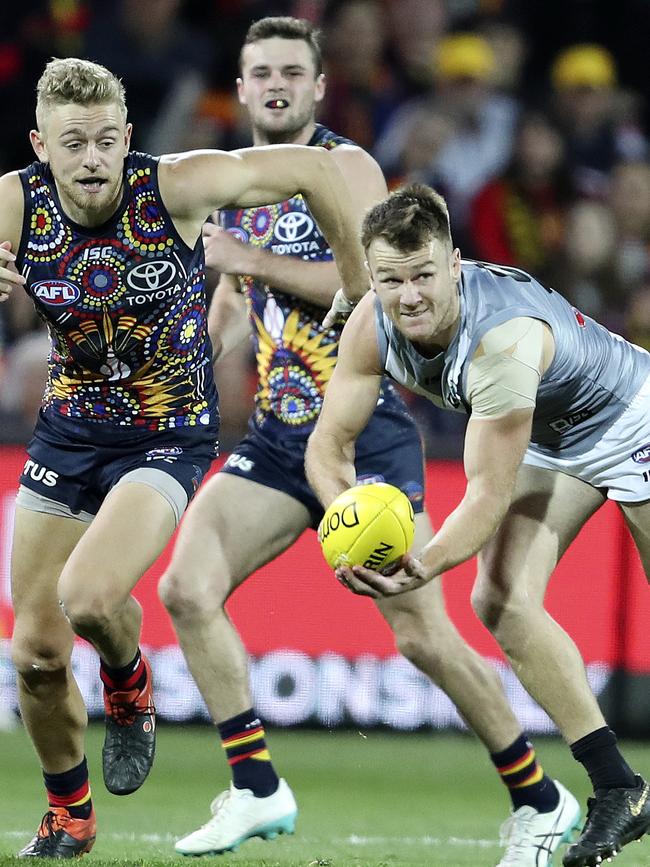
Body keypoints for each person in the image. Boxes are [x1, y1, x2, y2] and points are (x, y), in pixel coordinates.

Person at [159, 18, 580, 867]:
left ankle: (544, 796)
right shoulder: (246, 184)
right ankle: (255, 786)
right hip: (280, 435)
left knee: (423, 637)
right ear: (239, 90)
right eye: (259, 72)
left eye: (292, 71)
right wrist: (200, 348)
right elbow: (240, 308)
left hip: (360, 435)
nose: (275, 84)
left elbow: (369, 293)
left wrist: (251, 258)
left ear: (319, 88)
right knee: (186, 586)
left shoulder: (346, 167)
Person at [0, 56, 370, 859]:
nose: (93, 158)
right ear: (41, 146)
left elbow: (315, 166)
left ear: (129, 137)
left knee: (91, 598)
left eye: (106, 140)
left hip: (167, 430)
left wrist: (356, 281)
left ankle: (129, 683)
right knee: (33, 652)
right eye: (73, 143)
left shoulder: (175, 185)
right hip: (68, 430)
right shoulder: (12, 202)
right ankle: (70, 814)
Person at [304, 182, 650, 867]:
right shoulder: (371, 321)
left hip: (634, 416)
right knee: (500, 600)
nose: (408, 296)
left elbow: (486, 496)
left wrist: (419, 563)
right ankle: (620, 788)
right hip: (555, 438)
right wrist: (345, 514)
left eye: (424, 275)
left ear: (454, 263)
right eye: (391, 279)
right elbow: (327, 446)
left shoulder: (501, 343)